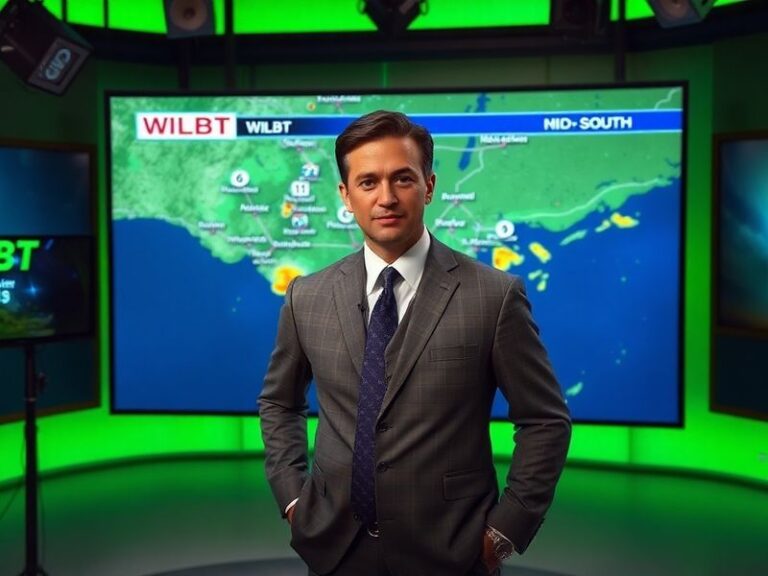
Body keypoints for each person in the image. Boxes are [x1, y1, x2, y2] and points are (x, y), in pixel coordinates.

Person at [259, 110, 571, 576]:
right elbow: (279, 403)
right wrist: (293, 501)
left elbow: (545, 420)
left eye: (402, 178)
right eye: (368, 182)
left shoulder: (494, 296)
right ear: (345, 195)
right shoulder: (307, 296)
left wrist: (503, 534)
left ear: (428, 186)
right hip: (333, 548)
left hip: (452, 552)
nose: (386, 197)